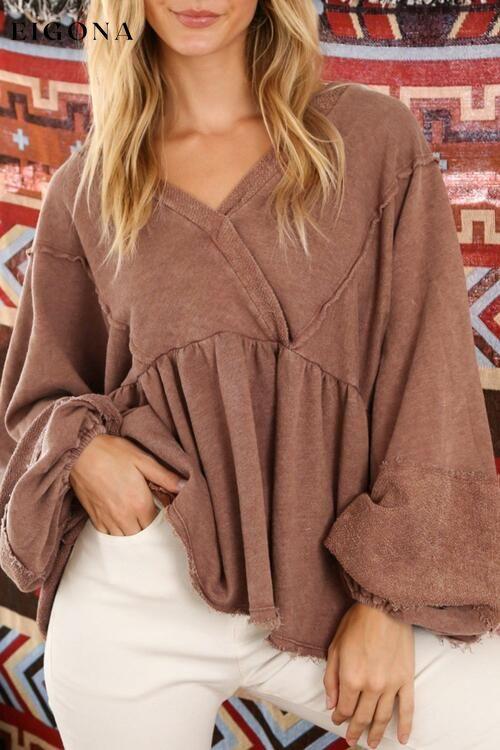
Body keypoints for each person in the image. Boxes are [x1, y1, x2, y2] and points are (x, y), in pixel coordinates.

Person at [0, 1, 499, 748]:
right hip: (139, 585)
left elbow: (429, 376)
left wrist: (390, 600)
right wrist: (84, 452)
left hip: (342, 580)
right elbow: (35, 401)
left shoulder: (372, 140)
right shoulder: (87, 189)